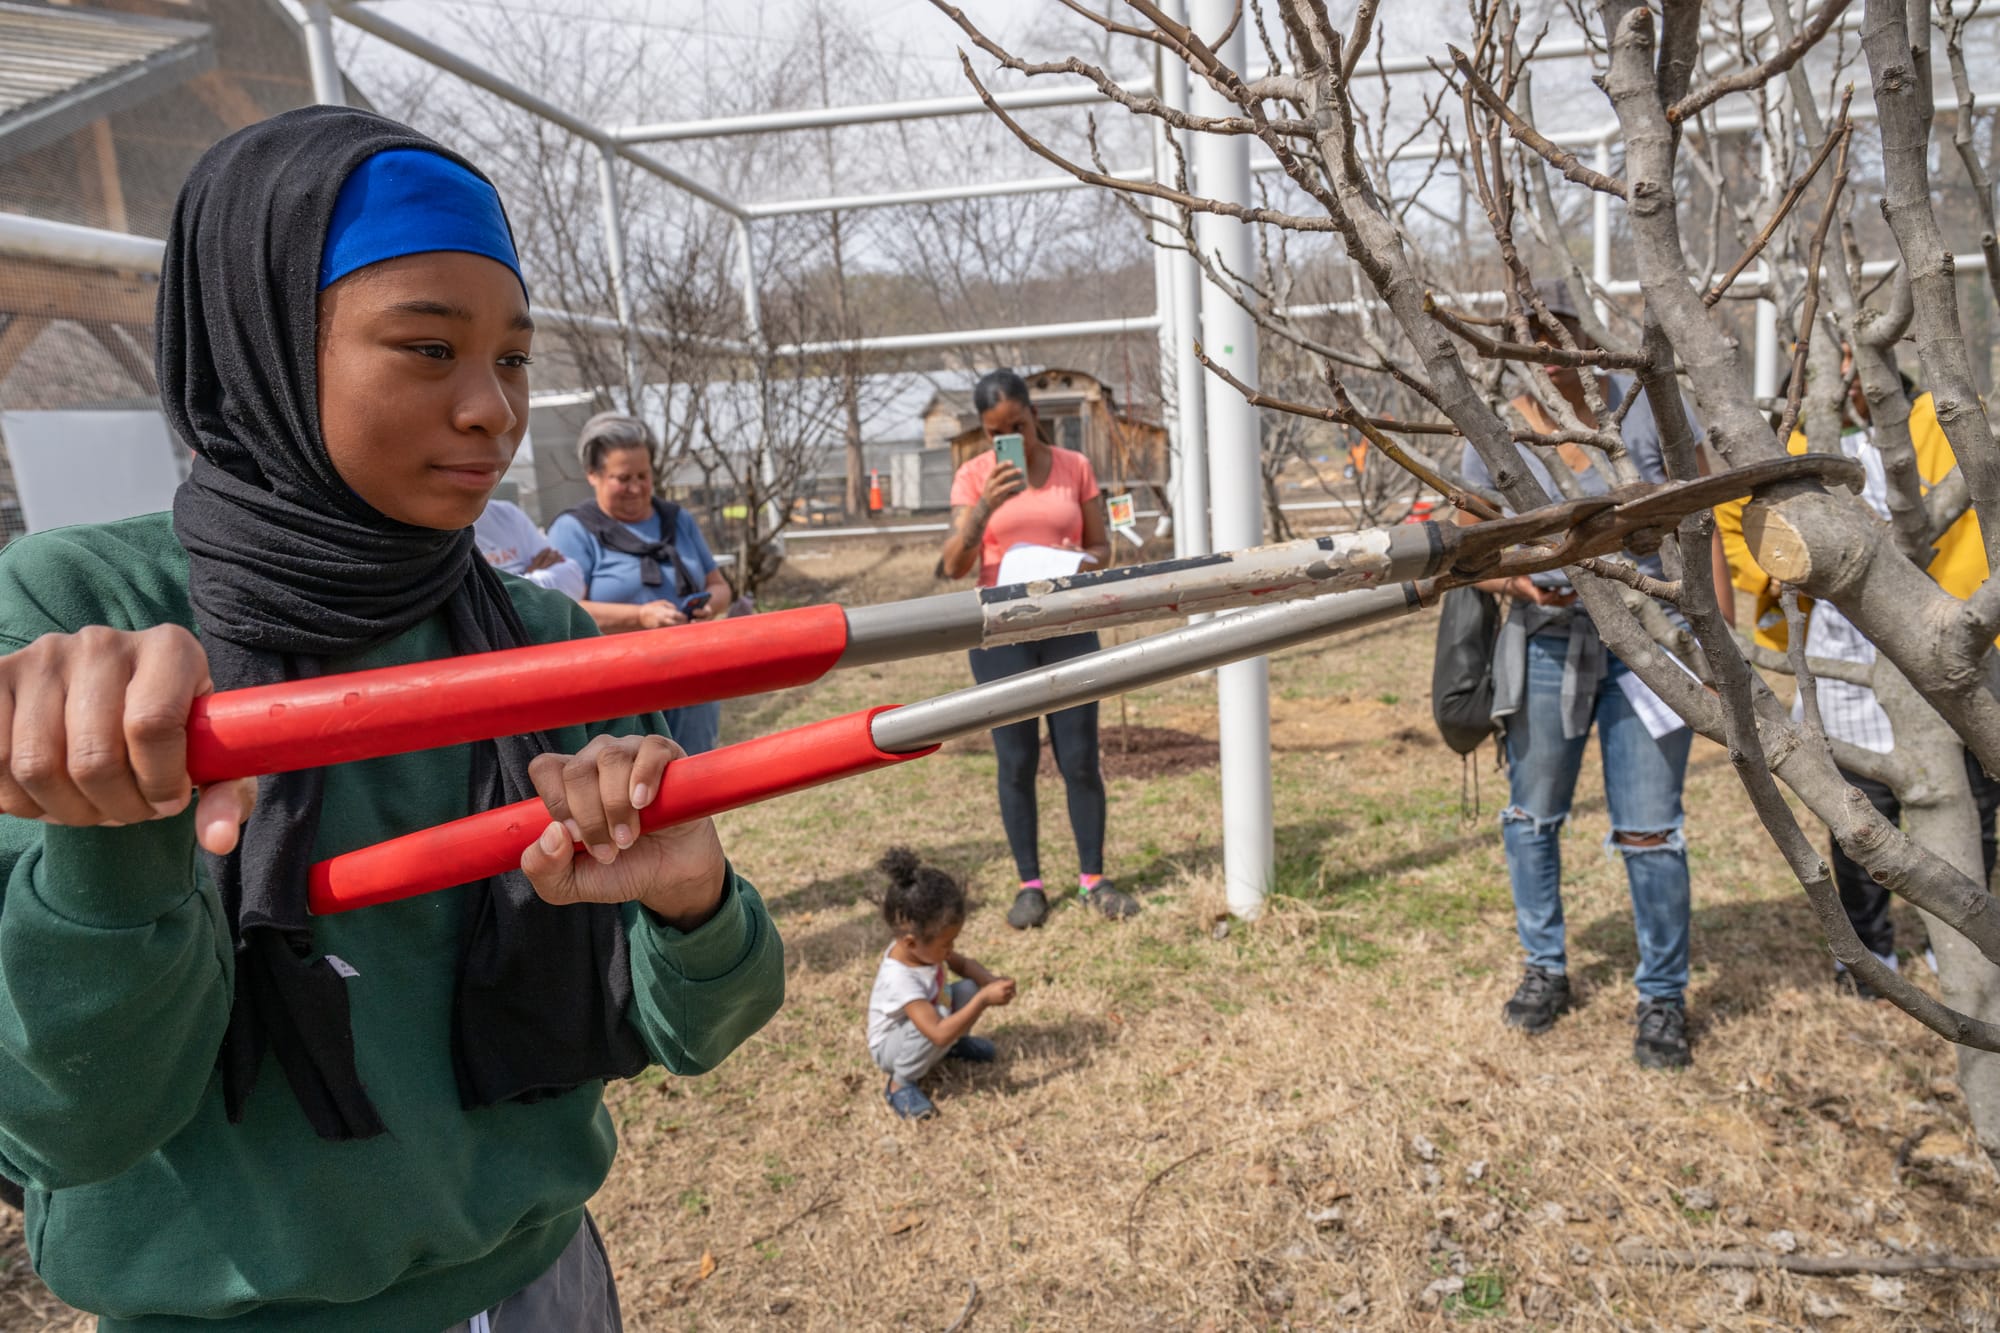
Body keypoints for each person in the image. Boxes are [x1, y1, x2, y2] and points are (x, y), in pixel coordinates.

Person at [0, 108, 784, 1331]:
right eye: (428, 349)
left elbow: (701, 1028)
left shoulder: (545, 648)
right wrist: (108, 833)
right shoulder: (84, 627)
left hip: (542, 1288)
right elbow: (66, 1116)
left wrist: (689, 900)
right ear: (257, 345)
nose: (492, 409)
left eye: (514, 359)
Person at [1456, 281, 1734, 1070]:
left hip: (1652, 640)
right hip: (1550, 641)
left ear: (1582, 334)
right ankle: (1544, 968)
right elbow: (1470, 551)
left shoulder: (1644, 403)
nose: (1549, 355)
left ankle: (1662, 997)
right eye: (1530, 342)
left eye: (1559, 334)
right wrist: (1517, 581)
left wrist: (1720, 641)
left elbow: (1701, 512)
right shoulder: (1498, 430)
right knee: (1533, 815)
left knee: (1650, 827)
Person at [1716, 366, 1998, 996]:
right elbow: (1736, 517)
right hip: (1847, 655)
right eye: (1825, 363)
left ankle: (1954, 936)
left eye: (1853, 357)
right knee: (1863, 817)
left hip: (1955, 646)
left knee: (1975, 808)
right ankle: (1869, 953)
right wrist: (1779, 571)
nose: (1845, 374)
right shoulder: (1787, 451)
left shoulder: (1939, 423)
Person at [937, 369, 1137, 928]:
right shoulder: (973, 476)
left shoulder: (1075, 467)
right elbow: (954, 566)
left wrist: (1077, 563)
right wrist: (981, 512)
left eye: (1019, 425)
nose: (1013, 439)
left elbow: (1103, 547)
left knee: (1078, 757)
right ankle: (1030, 885)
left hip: (1070, 621)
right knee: (1017, 760)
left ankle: (1093, 878)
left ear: (1034, 416)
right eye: (996, 431)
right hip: (1000, 631)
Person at [548, 413, 734, 754]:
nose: (636, 488)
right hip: (620, 689)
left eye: (643, 476)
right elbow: (561, 611)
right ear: (593, 475)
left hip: (691, 678)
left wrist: (709, 605)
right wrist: (640, 617)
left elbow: (719, 586)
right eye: (622, 478)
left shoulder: (677, 520)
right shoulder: (574, 530)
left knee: (696, 778)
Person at [867, 848, 1015, 1120]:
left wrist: (990, 982)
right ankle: (900, 1084)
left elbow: (964, 966)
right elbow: (935, 1032)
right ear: (910, 942)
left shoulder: (923, 950)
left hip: (933, 1022)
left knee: (969, 989)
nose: (951, 949)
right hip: (891, 1048)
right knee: (943, 1019)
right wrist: (984, 1000)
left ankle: (953, 1046)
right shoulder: (900, 978)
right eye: (946, 943)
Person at [475, 495, 585, 601]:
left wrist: (521, 583)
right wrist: (526, 581)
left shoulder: (507, 513)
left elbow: (572, 580)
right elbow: (479, 603)